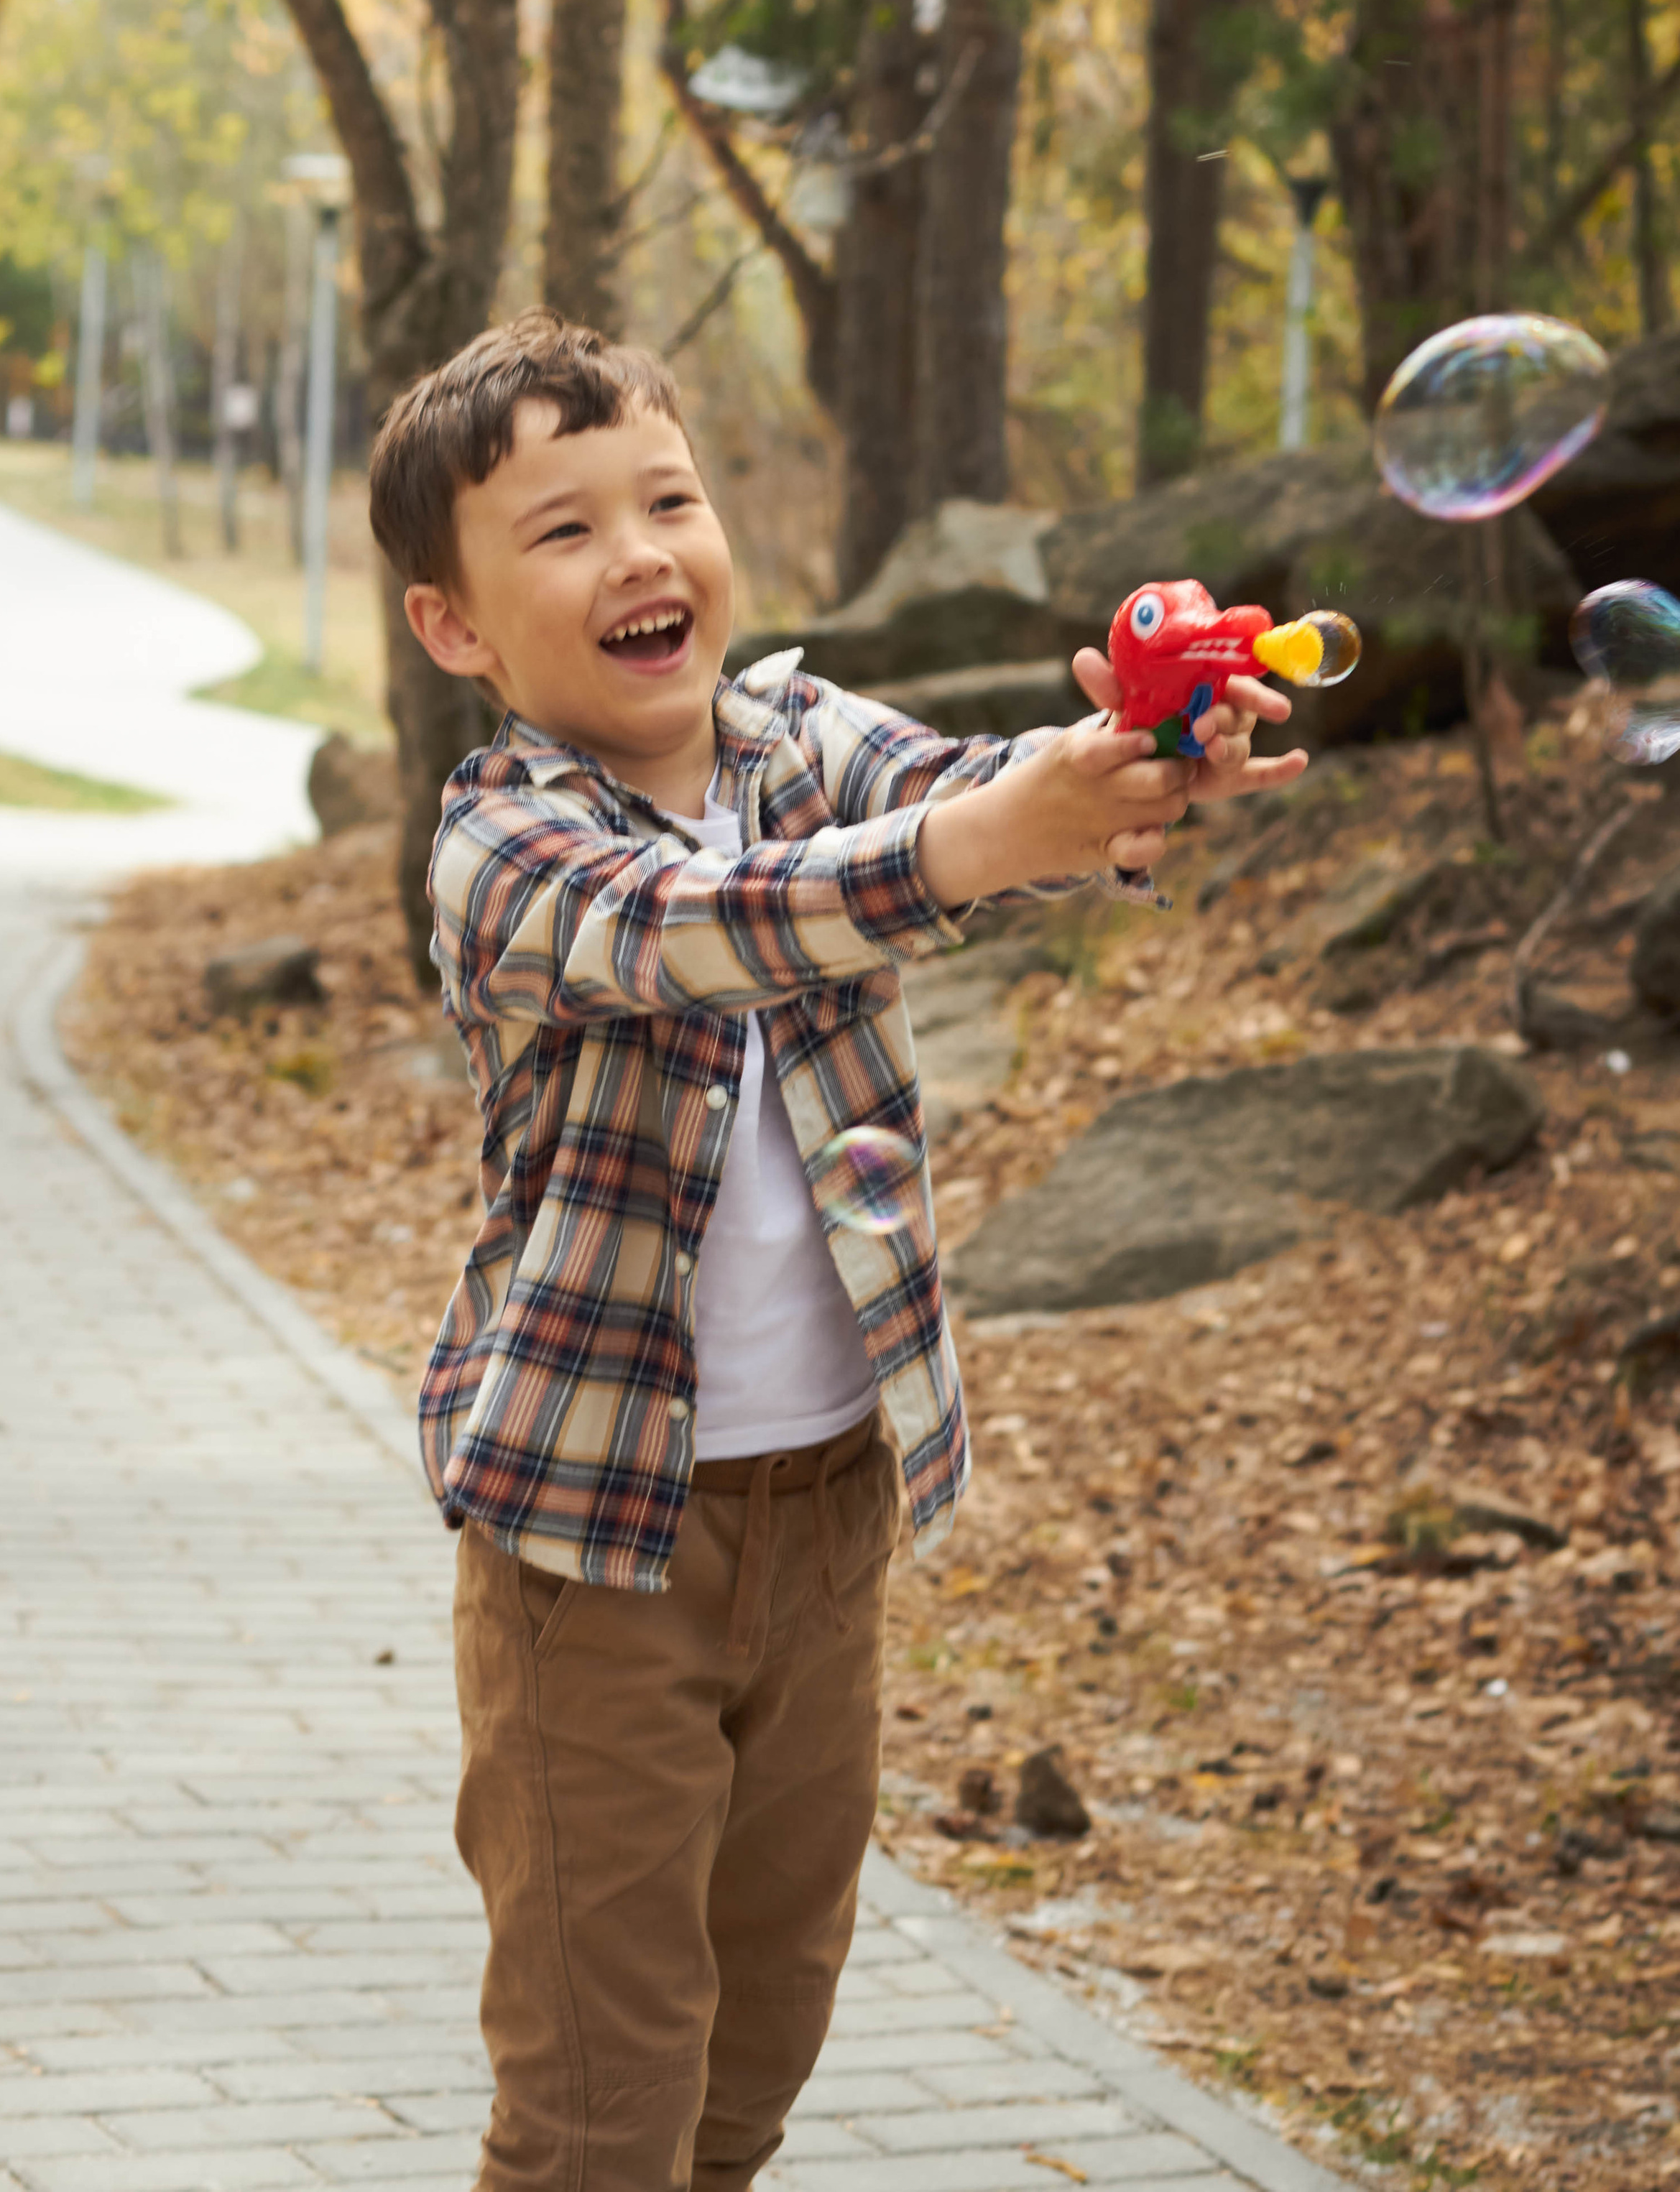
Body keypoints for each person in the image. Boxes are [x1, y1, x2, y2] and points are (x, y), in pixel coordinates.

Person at [366, 308, 1305, 2192]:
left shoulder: (797, 733)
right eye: (563, 531)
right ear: (454, 626)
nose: (642, 554)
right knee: (600, 2105)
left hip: (828, 1515)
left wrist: (1124, 758)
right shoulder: (507, 845)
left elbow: (961, 787)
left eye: (671, 500)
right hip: (596, 1555)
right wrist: (980, 843)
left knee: (755, 2054)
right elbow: (726, 923)